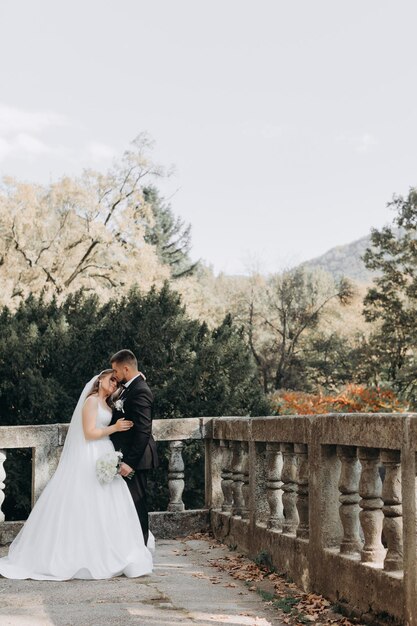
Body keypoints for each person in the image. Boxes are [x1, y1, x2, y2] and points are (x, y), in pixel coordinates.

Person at [0, 370, 153, 580]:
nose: (113, 384)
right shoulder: (91, 402)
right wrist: (114, 428)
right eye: (111, 380)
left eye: (116, 382)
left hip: (105, 453)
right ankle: (79, 555)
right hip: (90, 454)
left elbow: (131, 391)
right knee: (85, 500)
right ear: (100, 380)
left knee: (109, 505)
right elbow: (89, 433)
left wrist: (140, 378)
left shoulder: (110, 404)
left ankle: (110, 551)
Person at [110, 349, 158, 547]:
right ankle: (132, 547)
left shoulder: (140, 391)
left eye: (116, 371)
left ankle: (142, 548)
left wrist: (129, 462)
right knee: (127, 504)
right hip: (128, 455)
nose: (114, 375)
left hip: (136, 459)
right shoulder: (131, 386)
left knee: (137, 504)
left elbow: (143, 431)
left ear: (126, 368)